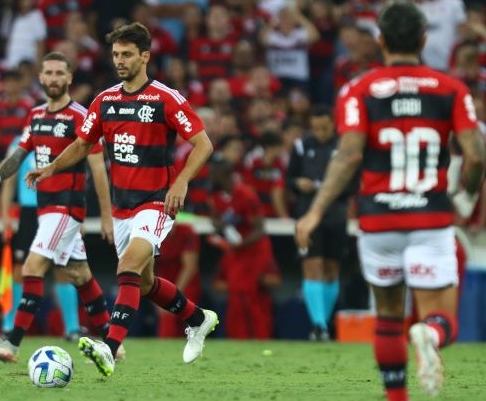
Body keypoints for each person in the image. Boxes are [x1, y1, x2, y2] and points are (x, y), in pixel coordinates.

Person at [295, 3, 486, 401]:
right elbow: (477, 155)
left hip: (378, 220)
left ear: (380, 40)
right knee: (441, 316)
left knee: (386, 317)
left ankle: (396, 397)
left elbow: (347, 156)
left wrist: (314, 211)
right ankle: (429, 334)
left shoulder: (358, 90)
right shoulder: (451, 89)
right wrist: (466, 190)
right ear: (423, 40)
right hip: (430, 218)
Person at [26, 22, 217, 378]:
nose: (120, 60)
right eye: (115, 54)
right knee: (143, 284)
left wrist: (183, 183)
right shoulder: (105, 100)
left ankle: (109, 348)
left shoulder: (165, 98)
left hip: (158, 201)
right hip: (123, 207)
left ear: (145, 56)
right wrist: (50, 168)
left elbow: (203, 144)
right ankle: (197, 318)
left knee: (127, 268)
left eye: (127, 54)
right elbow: (83, 144)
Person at [0, 51, 115, 363]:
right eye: (48, 73)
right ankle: (113, 342)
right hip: (45, 209)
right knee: (79, 274)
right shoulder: (36, 116)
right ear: (41, 78)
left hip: (66, 209)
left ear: (69, 78)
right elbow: (19, 154)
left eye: (59, 73)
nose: (53, 78)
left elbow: (98, 169)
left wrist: (106, 216)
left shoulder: (81, 117)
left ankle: (11, 345)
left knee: (31, 268)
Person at [0, 133, 91, 341]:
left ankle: (72, 328)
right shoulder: (18, 142)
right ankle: (8, 325)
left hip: (58, 207)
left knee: (63, 268)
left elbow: (73, 179)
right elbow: (9, 181)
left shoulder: (61, 140)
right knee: (19, 270)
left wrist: (79, 216)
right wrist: (5, 215)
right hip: (30, 212)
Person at [286, 106, 356, 341]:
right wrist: (299, 184)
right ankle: (319, 325)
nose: (320, 132)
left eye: (324, 127)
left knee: (331, 270)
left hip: (336, 214)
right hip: (307, 215)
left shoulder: (344, 146)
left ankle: (322, 324)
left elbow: (354, 182)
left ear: (333, 124)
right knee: (312, 266)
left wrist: (330, 189)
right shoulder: (301, 146)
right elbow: (289, 180)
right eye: (316, 128)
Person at [208, 159, 281, 339]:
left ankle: (261, 338)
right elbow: (217, 220)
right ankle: (237, 340)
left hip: (254, 250)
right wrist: (218, 225)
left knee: (253, 297)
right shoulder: (217, 197)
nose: (210, 176)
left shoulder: (246, 194)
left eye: (213, 173)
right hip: (236, 251)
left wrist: (242, 243)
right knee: (236, 297)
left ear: (223, 175)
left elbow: (260, 228)